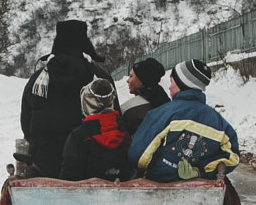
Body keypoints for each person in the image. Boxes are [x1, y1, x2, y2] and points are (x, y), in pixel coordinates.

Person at [130, 57, 240, 182]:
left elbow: (139, 156)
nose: (169, 88)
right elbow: (233, 157)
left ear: (181, 84)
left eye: (172, 83)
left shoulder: (162, 113)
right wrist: (201, 170)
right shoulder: (219, 123)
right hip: (196, 191)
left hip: (159, 186)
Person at [19, 19, 103, 178]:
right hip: (90, 167)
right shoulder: (99, 79)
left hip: (43, 166)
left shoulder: (37, 81)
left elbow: (26, 124)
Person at [60, 77, 133, 182]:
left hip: (87, 196)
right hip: (124, 196)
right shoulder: (125, 132)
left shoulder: (79, 137)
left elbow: (69, 179)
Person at [117, 55, 169, 136]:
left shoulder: (129, 110)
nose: (127, 80)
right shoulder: (165, 101)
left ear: (142, 80)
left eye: (131, 76)